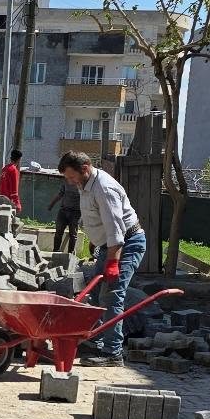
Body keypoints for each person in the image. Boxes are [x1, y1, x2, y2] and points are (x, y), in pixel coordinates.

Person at [57, 150, 145, 366]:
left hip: (127, 243)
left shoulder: (105, 188)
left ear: (84, 168)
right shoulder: (84, 185)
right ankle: (96, 341)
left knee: (112, 295)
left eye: (70, 176)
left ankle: (113, 353)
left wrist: (113, 262)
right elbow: (94, 218)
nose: (69, 181)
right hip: (108, 245)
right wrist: (94, 241)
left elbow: (116, 230)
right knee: (96, 293)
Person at [47, 171, 82, 255]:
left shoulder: (81, 183)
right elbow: (60, 194)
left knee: (73, 234)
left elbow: (86, 199)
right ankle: (55, 252)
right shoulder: (66, 181)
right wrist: (51, 204)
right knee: (58, 232)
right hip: (63, 211)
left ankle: (70, 254)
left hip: (75, 212)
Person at [0, 149, 22, 213]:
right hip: (9, 203)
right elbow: (14, 190)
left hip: (1, 200)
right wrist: (17, 204)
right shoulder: (13, 170)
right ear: (19, 159)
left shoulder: (4, 169)